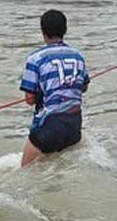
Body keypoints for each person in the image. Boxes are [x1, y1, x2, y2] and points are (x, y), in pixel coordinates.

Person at [20, 9, 89, 167]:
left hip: (51, 124)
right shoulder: (78, 56)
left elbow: (29, 100)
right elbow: (83, 88)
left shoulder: (35, 58)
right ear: (65, 30)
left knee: (24, 172)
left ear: (42, 31)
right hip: (74, 123)